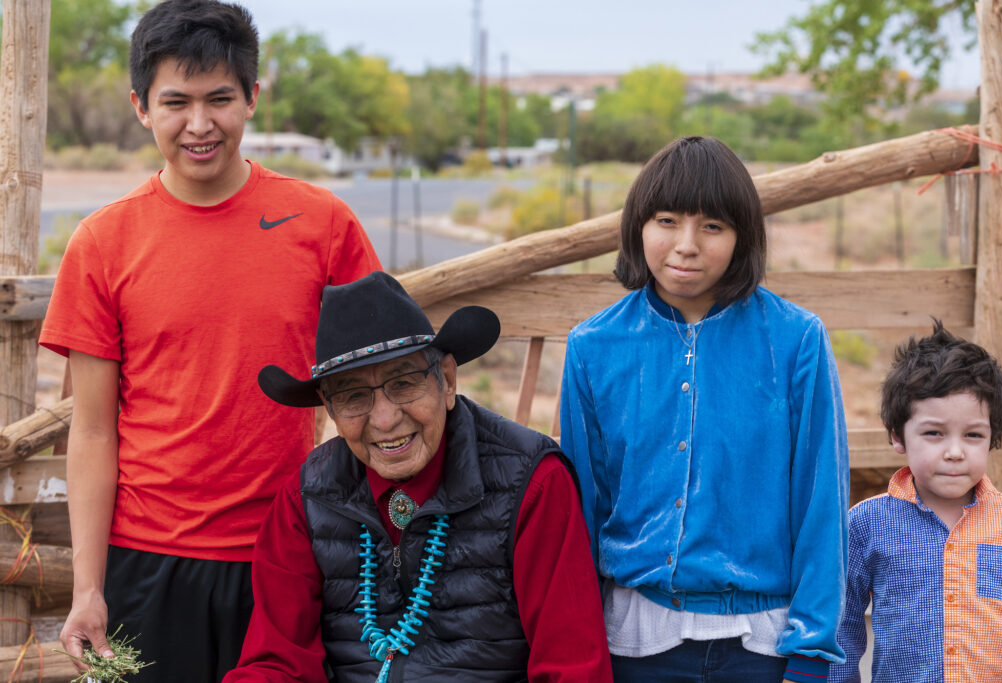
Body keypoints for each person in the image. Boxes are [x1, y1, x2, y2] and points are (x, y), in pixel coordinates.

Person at [39, 1, 380, 679]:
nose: (200, 124)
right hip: (146, 560)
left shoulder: (323, 224)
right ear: (140, 106)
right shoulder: (103, 242)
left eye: (220, 98)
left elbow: (380, 381)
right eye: (176, 102)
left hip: (286, 548)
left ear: (253, 98)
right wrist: (87, 586)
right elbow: (94, 430)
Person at [223, 271, 613, 682]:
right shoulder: (305, 499)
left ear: (446, 380)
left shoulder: (533, 483)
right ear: (330, 408)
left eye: (403, 384)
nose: (386, 420)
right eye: (354, 396)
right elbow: (278, 661)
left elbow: (572, 667)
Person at [559, 136, 850, 683]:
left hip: (763, 645)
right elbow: (584, 508)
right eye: (667, 220)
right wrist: (582, 645)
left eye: (712, 226)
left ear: (742, 238)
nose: (686, 245)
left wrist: (811, 653)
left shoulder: (795, 340)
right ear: (637, 226)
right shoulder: (593, 346)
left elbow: (821, 501)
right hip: (635, 640)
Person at [830, 322, 1002, 682]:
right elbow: (841, 628)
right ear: (898, 436)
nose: (954, 452)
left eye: (973, 435)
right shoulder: (866, 524)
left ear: (993, 439)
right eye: (933, 433)